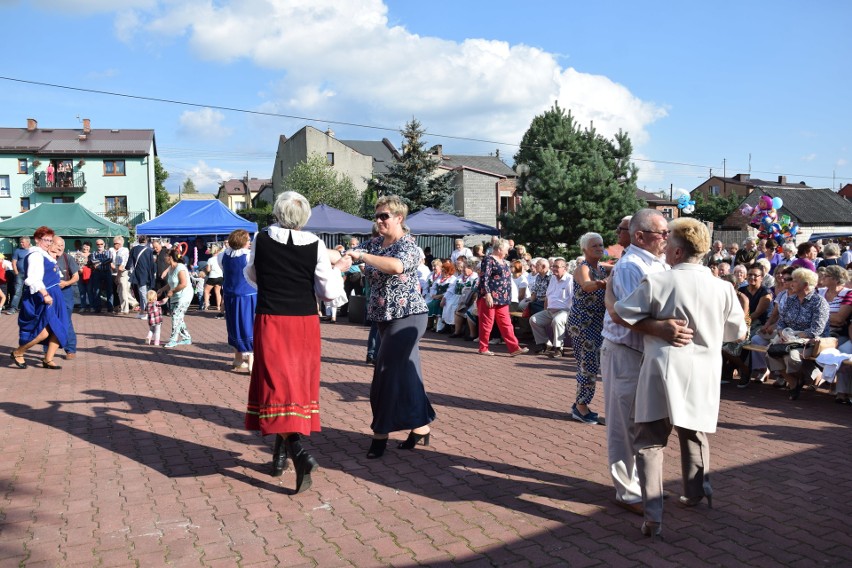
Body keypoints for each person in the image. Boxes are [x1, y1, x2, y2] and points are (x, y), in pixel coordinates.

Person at [614, 217, 747, 539]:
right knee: (694, 432)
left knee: (649, 441)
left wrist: (610, 296)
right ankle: (697, 491)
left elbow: (622, 313)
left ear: (675, 251)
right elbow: (736, 332)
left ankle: (653, 515)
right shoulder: (723, 287)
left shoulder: (660, 282)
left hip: (663, 368)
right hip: (702, 371)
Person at [245, 191, 350, 493]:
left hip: (272, 319)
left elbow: (252, 274)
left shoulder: (261, 239)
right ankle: (288, 454)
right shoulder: (316, 244)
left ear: (277, 213)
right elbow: (329, 292)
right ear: (303, 217)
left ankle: (295, 454)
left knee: (277, 385)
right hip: (304, 322)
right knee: (293, 386)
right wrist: (338, 270)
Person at [600, 209, 682, 517]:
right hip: (626, 352)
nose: (667, 238)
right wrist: (662, 328)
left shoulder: (659, 262)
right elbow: (628, 314)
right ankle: (627, 491)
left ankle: (645, 483)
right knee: (624, 425)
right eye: (662, 234)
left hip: (648, 354)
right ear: (640, 236)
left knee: (647, 422)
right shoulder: (631, 266)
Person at [344, 195, 435, 460]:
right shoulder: (374, 243)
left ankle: (380, 434)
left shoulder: (408, 245)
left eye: (384, 216)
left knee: (383, 372)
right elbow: (347, 253)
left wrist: (362, 256)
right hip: (383, 316)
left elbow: (396, 267)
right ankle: (421, 427)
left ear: (399, 218)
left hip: (408, 316)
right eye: (377, 216)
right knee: (407, 374)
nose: (379, 220)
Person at [765, 268, 830, 400]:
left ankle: (807, 376)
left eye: (795, 280)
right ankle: (794, 382)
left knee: (792, 357)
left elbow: (816, 330)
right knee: (770, 353)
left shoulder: (819, 302)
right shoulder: (791, 299)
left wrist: (793, 337)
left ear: (805, 284)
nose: (791, 283)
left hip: (809, 340)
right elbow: (782, 321)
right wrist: (781, 333)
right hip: (788, 336)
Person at [10, 227, 69, 370]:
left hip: (55, 294)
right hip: (43, 295)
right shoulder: (35, 255)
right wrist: (45, 294)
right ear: (37, 240)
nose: (48, 243)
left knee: (60, 328)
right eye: (45, 240)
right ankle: (18, 352)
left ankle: (48, 359)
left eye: (50, 240)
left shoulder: (46, 254)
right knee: (43, 332)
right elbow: (33, 279)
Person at [567, 232, 609, 424]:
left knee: (591, 364)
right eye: (595, 246)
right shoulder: (582, 268)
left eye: (601, 245)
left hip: (596, 323)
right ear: (584, 249)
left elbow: (617, 268)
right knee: (588, 365)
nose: (600, 249)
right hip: (582, 324)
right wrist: (603, 283)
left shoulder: (600, 268)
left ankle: (581, 404)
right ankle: (581, 407)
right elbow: (586, 285)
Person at [476, 239, 528, 357]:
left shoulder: (503, 261)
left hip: (503, 298)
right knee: (487, 323)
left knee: (506, 323)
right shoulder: (488, 260)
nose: (507, 252)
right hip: (490, 297)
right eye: (506, 250)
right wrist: (487, 294)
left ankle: (514, 348)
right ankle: (483, 348)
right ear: (499, 249)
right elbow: (484, 278)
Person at [220, 230, 257, 372]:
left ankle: (238, 359)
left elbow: (224, 270)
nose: (249, 242)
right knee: (249, 326)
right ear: (242, 241)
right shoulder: (248, 256)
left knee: (235, 326)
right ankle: (252, 364)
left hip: (231, 296)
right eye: (248, 239)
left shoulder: (224, 255)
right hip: (248, 295)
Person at [529, 257, 572, 357]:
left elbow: (574, 299)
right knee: (534, 319)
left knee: (557, 321)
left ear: (564, 268)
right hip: (550, 310)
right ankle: (545, 344)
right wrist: (545, 309)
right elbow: (548, 296)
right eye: (553, 266)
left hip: (565, 311)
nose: (554, 269)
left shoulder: (570, 279)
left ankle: (559, 348)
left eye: (557, 267)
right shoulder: (553, 278)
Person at [157, 248, 194, 348]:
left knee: (176, 315)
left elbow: (183, 284)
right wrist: (162, 289)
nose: (163, 258)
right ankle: (187, 338)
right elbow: (170, 283)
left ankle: (173, 340)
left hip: (185, 295)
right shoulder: (170, 268)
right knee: (178, 317)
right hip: (175, 296)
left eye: (165, 256)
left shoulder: (180, 267)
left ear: (170, 257)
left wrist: (172, 291)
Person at [52, 237, 79, 360]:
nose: (60, 248)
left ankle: (70, 349)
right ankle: (48, 351)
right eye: (58, 245)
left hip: (65, 291)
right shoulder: (46, 258)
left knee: (66, 319)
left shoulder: (68, 258)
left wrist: (66, 283)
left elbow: (76, 277)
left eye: (62, 245)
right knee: (50, 320)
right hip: (50, 292)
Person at [129, 236, 155, 318]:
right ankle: (143, 311)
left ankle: (147, 312)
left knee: (142, 293)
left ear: (138, 240)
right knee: (142, 293)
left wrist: (127, 268)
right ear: (146, 241)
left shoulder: (134, 249)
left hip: (138, 273)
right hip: (147, 273)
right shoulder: (150, 250)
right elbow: (152, 264)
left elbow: (130, 261)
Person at [111, 236, 138, 314]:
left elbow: (120, 267)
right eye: (114, 243)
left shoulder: (121, 252)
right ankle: (133, 302)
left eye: (117, 243)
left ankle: (125, 309)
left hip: (123, 273)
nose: (115, 245)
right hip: (125, 272)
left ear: (121, 243)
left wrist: (117, 277)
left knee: (122, 291)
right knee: (121, 290)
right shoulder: (123, 250)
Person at [6, 236, 31, 315]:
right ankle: (13, 308)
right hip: (20, 274)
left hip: (30, 275)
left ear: (28, 242)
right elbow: (14, 262)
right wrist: (16, 272)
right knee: (17, 292)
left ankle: (28, 308)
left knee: (29, 291)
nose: (21, 244)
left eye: (23, 242)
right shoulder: (18, 251)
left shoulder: (32, 250)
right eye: (20, 242)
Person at [89, 239, 113, 313]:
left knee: (109, 290)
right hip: (97, 273)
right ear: (96, 245)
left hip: (107, 272)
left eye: (101, 244)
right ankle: (97, 308)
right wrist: (103, 262)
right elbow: (93, 261)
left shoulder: (108, 252)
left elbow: (109, 259)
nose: (100, 245)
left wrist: (99, 263)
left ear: (104, 244)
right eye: (98, 244)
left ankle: (110, 307)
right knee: (96, 290)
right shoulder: (93, 253)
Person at [202, 243, 224, 313]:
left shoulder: (210, 259)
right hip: (220, 276)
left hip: (212, 277)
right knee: (218, 292)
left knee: (206, 291)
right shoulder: (221, 258)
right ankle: (218, 306)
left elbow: (208, 270)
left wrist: (206, 269)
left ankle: (206, 305)